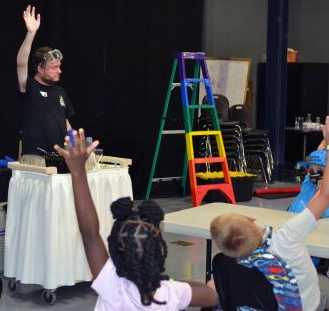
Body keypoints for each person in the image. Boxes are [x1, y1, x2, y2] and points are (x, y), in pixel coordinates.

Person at [55, 129, 218, 310]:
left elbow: (89, 234)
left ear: (117, 253)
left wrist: (78, 172)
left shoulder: (112, 287)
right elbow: (213, 297)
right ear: (159, 251)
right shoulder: (171, 293)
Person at [210, 113, 329, 311]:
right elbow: (327, 193)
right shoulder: (287, 238)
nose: (313, 171)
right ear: (251, 219)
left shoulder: (226, 261)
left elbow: (213, 292)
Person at [17, 5, 74, 165]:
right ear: (40, 69)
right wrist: (31, 33)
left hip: (60, 158)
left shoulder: (60, 92)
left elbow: (66, 123)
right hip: (35, 159)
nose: (60, 71)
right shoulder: (29, 87)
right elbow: (21, 63)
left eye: (59, 66)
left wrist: (76, 146)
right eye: (54, 67)